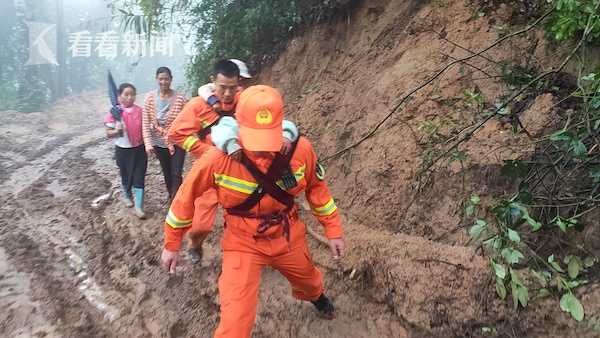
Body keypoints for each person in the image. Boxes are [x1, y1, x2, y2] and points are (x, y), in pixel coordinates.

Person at [161, 85, 345, 337]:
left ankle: (316, 297)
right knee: (235, 323)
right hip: (242, 243)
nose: (262, 148)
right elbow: (186, 197)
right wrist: (172, 243)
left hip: (288, 237)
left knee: (309, 280)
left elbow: (317, 189)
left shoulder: (301, 151)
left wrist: (333, 229)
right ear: (238, 125)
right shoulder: (218, 158)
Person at [167, 60, 299, 262]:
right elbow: (177, 134)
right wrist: (207, 152)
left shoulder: (245, 101)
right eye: (222, 88)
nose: (227, 93)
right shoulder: (197, 106)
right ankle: (195, 244)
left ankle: (257, 250)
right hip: (214, 169)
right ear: (213, 82)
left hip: (246, 168)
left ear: (238, 84)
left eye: (232, 88)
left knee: (258, 206)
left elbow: (271, 121)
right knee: (201, 223)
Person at [142, 67, 188, 201]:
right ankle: (172, 197)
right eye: (161, 79)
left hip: (177, 141)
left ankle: (178, 201)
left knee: (176, 173)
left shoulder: (180, 99)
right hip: (158, 142)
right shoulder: (149, 98)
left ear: (171, 79)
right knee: (167, 172)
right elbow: (145, 122)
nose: (164, 82)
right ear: (157, 79)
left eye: (166, 79)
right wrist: (148, 144)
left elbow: (188, 118)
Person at [103, 83, 148, 219]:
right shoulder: (114, 113)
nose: (130, 97)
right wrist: (117, 130)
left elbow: (146, 128)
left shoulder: (140, 111)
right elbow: (108, 133)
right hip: (123, 150)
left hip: (139, 149)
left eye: (132, 94)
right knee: (126, 175)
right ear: (119, 96)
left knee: (139, 176)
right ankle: (127, 195)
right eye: (126, 94)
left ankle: (139, 207)